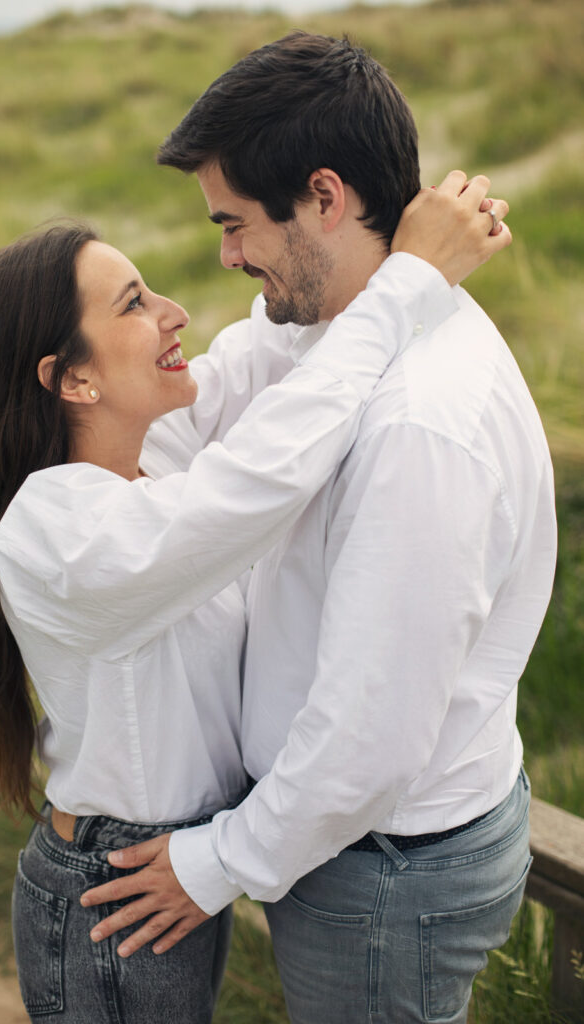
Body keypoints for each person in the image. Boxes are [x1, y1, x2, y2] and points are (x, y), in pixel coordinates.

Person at [0, 180, 504, 1023]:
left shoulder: (153, 446)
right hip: (116, 889)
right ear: (72, 380)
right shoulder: (59, 536)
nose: (174, 312)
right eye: (134, 303)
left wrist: (384, 230)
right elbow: (263, 474)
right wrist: (409, 281)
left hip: (166, 868)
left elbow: (269, 354)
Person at [81, 33, 558, 1024]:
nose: (223, 255)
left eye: (234, 224)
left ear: (325, 198)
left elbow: (369, 735)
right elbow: (208, 412)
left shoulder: (421, 422)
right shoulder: (308, 330)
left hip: (382, 870)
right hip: (348, 846)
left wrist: (216, 863)